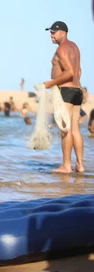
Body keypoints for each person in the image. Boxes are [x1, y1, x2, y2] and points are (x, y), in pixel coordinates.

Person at [43, 21, 85, 173]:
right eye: (50, 32)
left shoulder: (62, 49)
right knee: (75, 129)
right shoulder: (74, 47)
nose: (51, 35)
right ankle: (80, 165)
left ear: (63, 33)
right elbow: (78, 71)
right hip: (77, 90)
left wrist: (51, 83)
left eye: (54, 32)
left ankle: (66, 165)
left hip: (66, 91)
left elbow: (69, 72)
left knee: (65, 129)